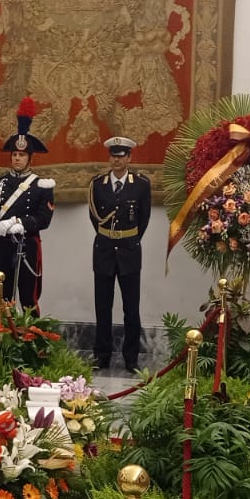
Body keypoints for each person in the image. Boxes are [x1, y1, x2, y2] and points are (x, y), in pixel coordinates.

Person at [0, 97, 55, 311]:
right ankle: (2, 331)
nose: (17, 158)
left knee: (28, 297)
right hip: (1, 245)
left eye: (22, 155)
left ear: (30, 158)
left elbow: (44, 219)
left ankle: (30, 332)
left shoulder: (41, 186)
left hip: (27, 245)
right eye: (14, 154)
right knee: (1, 296)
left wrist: (20, 223)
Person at [88, 136, 151, 371]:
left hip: (129, 251)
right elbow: (95, 218)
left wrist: (128, 239)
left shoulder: (141, 184)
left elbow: (143, 219)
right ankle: (101, 356)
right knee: (102, 306)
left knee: (131, 308)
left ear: (129, 158)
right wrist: (110, 235)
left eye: (121, 155)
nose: (117, 160)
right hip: (104, 250)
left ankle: (131, 358)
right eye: (113, 156)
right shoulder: (98, 184)